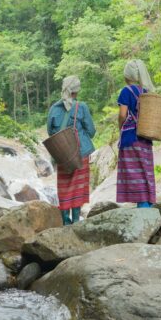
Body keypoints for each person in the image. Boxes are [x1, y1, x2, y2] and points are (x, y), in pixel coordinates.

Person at [47, 75, 96, 225]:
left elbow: (50, 132)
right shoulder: (81, 107)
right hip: (79, 153)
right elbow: (92, 131)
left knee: (64, 186)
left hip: (61, 154)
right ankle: (76, 221)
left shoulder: (54, 108)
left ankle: (65, 221)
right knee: (78, 186)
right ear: (77, 90)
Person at [116, 59, 156, 208]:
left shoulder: (126, 91)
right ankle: (147, 206)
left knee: (134, 173)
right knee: (145, 172)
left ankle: (143, 208)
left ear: (127, 75)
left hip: (130, 137)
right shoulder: (146, 92)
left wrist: (120, 126)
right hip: (145, 138)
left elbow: (122, 114)